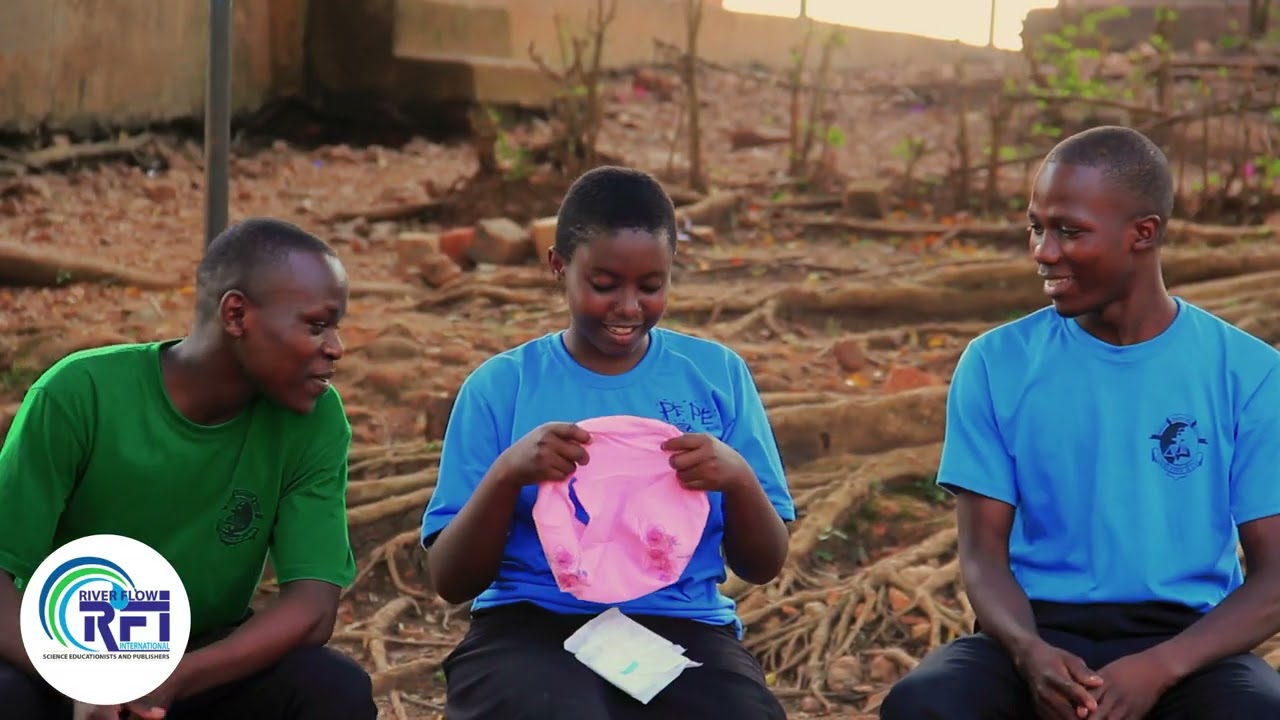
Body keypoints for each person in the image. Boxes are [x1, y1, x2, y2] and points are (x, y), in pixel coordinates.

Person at [880, 124, 1280, 720]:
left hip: (1187, 643)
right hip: (1035, 630)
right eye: (1036, 227)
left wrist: (1159, 668)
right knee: (928, 704)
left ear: (1143, 233)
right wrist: (1029, 653)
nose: (1044, 251)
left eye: (1070, 231)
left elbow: (1274, 579)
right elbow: (982, 555)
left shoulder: (1249, 372)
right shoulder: (996, 362)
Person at [420, 165, 795, 719]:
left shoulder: (716, 375)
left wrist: (738, 479)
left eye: (651, 286)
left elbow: (763, 564)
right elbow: (451, 580)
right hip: (531, 622)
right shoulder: (502, 386)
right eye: (604, 285)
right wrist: (507, 475)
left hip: (681, 623)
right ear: (559, 266)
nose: (628, 306)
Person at [0, 218, 377, 720]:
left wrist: (174, 678)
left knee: (332, 688)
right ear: (236, 314)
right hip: (58, 657)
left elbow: (313, 607)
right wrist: (82, 680)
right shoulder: (80, 394)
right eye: (316, 325)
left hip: (197, 667)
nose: (336, 347)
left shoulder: (314, 421)